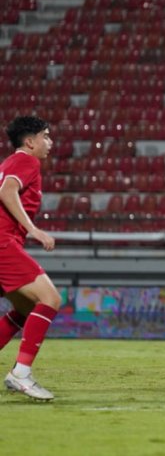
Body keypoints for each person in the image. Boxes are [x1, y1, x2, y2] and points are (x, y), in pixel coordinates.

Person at [0, 115, 61, 401]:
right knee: (49, 299)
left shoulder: (10, 162)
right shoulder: (26, 161)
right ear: (30, 141)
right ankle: (21, 373)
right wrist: (33, 229)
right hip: (3, 244)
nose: (49, 142)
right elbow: (7, 191)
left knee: (24, 310)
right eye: (45, 136)